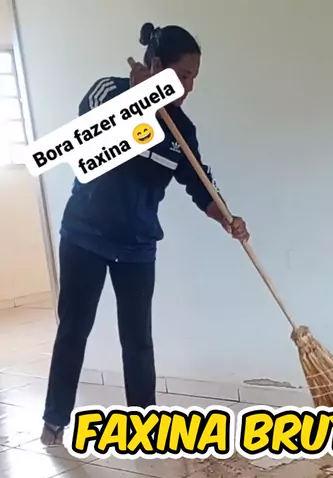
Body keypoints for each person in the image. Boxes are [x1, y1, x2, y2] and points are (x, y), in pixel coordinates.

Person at [41, 21, 249, 445]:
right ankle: (55, 420)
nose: (189, 87)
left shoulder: (181, 132)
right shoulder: (108, 92)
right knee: (74, 328)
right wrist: (137, 102)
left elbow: (201, 185)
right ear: (155, 65)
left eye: (193, 78)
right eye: (183, 75)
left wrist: (227, 218)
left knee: (138, 340)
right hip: (84, 237)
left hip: (137, 247)